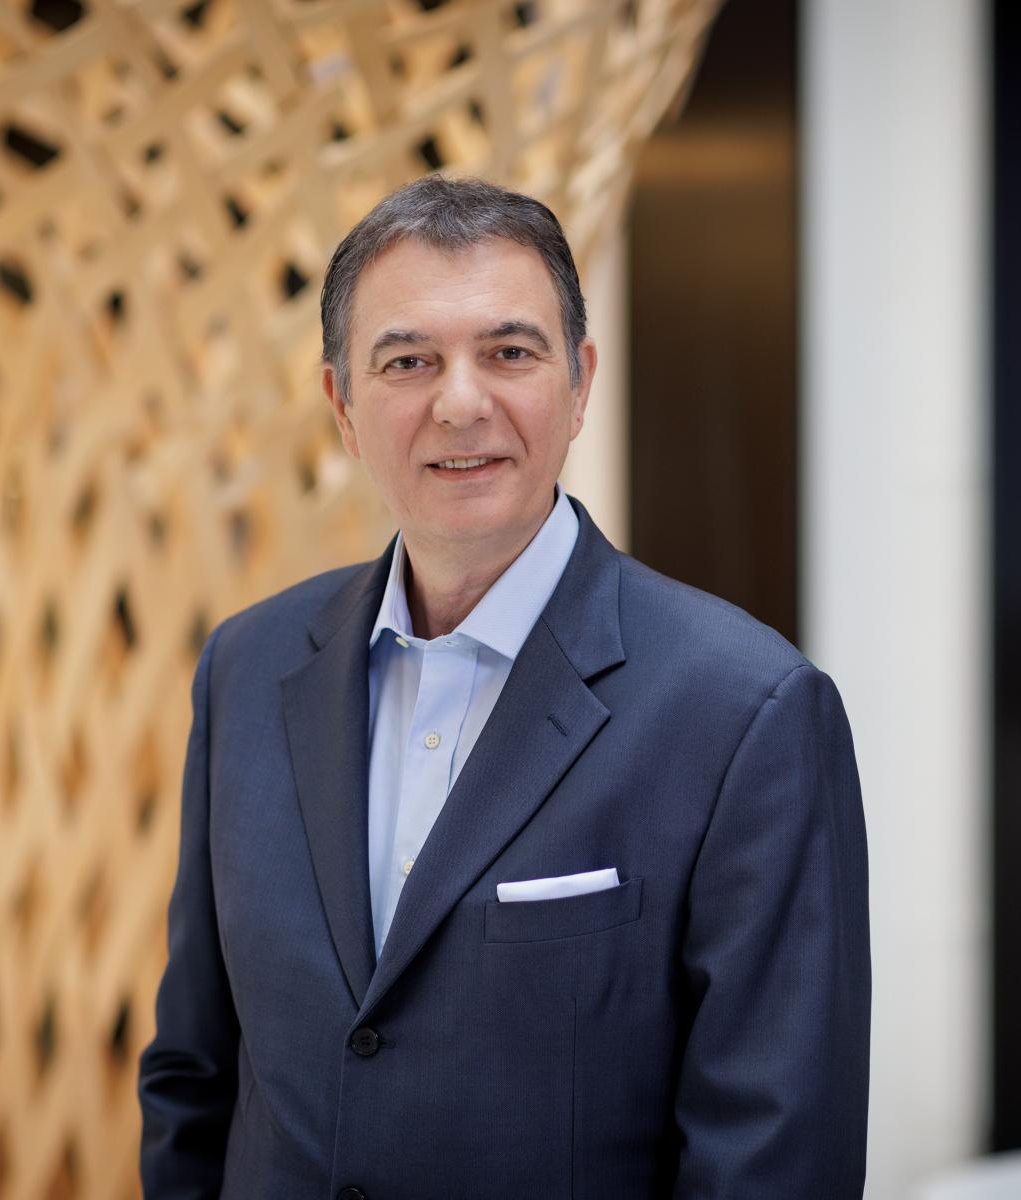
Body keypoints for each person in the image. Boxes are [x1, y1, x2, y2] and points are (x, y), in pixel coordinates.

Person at [138, 175, 871, 1199]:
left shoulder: (748, 712)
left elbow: (774, 1156)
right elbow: (195, 1074)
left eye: (510, 353)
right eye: (408, 361)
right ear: (342, 406)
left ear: (579, 384)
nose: (461, 403)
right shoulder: (247, 670)